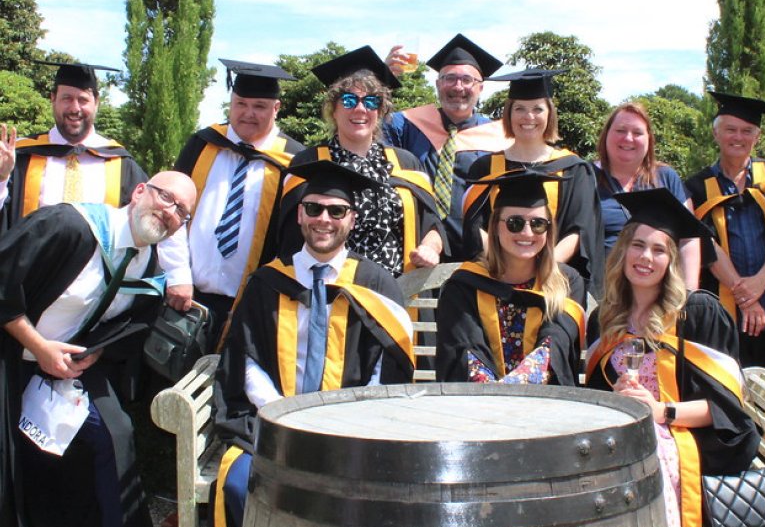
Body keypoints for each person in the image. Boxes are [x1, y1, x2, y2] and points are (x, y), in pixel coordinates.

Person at [209, 160, 415, 527]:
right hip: (269, 424)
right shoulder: (268, 281)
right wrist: (284, 415)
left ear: (352, 220)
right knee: (240, 486)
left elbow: (390, 367)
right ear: (300, 214)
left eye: (336, 211)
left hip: (357, 429)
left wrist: (348, 419)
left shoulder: (376, 284)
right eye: (315, 208)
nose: (325, 219)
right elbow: (244, 360)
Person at [0, 171, 197, 527]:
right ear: (139, 191)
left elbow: (129, 322)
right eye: (167, 199)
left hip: (68, 366)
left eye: (182, 212)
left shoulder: (147, 265)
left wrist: (98, 350)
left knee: (116, 433)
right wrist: (38, 346)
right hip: (10, 354)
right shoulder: (66, 227)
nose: (170, 213)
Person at [585, 188, 761, 527]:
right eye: (638, 245)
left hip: (686, 446)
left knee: (656, 458)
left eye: (659, 249)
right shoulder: (604, 319)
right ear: (622, 251)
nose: (646, 257)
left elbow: (732, 411)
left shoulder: (697, 312)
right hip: (618, 444)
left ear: (670, 260)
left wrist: (660, 410)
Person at [158, 59, 303, 350]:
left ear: (276, 108)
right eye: (241, 103)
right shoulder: (203, 143)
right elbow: (169, 212)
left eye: (260, 106)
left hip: (253, 304)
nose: (248, 113)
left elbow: (293, 241)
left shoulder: (295, 161)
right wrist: (176, 274)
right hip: (185, 293)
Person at [277, 45, 446, 275]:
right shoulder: (309, 162)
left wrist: (430, 247)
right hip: (331, 291)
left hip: (397, 292)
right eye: (348, 101)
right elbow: (290, 240)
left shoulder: (406, 162)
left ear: (381, 110)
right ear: (333, 109)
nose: (360, 109)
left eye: (371, 102)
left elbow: (432, 223)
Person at [436, 170, 586, 385]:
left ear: (549, 230)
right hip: (479, 405)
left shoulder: (566, 282)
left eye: (538, 224)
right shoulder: (463, 286)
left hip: (547, 406)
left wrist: (516, 388)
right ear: (496, 226)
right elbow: (466, 352)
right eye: (515, 223)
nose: (527, 233)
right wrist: (495, 397)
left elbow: (554, 346)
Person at [463, 68, 604, 297]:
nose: (528, 117)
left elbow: (579, 231)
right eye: (519, 108)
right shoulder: (484, 168)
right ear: (508, 114)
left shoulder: (574, 168)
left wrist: (540, 271)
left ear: (550, 114)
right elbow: (474, 226)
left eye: (537, 109)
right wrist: (506, 270)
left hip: (555, 285)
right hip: (495, 280)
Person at [382, 33, 509, 260]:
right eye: (450, 78)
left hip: (481, 251)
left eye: (467, 80)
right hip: (416, 246)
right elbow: (370, 125)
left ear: (480, 88)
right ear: (438, 84)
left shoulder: (501, 136)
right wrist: (383, 79)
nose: (458, 86)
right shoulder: (407, 125)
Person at [686, 92, 765, 374]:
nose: (738, 137)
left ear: (757, 136)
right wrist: (746, 296)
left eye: (747, 131)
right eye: (730, 129)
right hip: (723, 297)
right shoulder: (697, 186)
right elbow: (706, 244)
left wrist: (759, 284)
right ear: (716, 133)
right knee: (730, 373)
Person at [0, 61, 147, 230]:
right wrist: (2, 178)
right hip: (34, 256)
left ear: (96, 102)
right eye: (67, 98)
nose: (75, 108)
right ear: (53, 98)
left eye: (83, 100)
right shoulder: (20, 155)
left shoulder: (120, 162)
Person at [594, 101, 701, 290]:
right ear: (606, 135)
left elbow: (689, 238)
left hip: (658, 294)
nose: (628, 138)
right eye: (620, 130)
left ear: (649, 139)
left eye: (637, 133)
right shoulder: (586, 178)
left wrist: (689, 293)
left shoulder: (666, 177)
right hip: (600, 293)